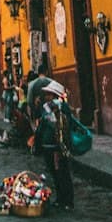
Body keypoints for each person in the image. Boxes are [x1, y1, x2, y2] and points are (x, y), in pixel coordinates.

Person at [37, 80, 74, 210]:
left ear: (54, 95)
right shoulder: (46, 108)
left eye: (48, 94)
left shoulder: (62, 107)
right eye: (46, 94)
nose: (46, 96)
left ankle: (68, 201)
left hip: (57, 147)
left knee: (62, 173)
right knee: (54, 173)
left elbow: (63, 127)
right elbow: (42, 125)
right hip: (48, 146)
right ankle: (60, 198)